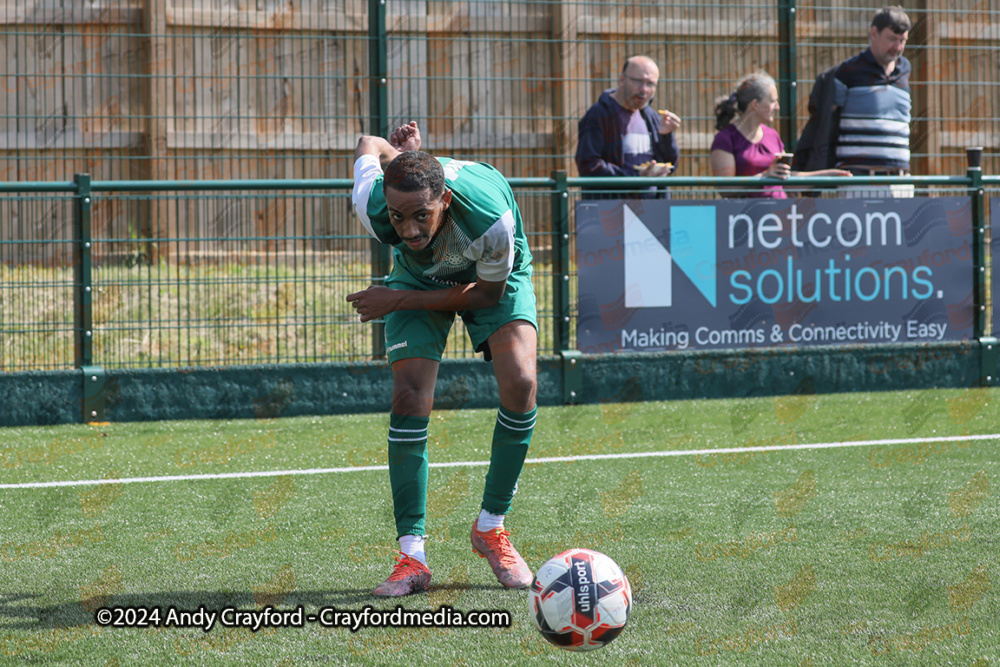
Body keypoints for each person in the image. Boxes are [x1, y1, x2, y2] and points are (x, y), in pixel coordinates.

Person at [348, 121, 538, 597]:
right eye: (397, 218)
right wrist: (395, 152)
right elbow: (368, 144)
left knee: (521, 384)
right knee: (410, 398)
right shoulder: (373, 206)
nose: (408, 229)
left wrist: (395, 301)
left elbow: (486, 295)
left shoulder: (490, 220)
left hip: (489, 277)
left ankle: (491, 527)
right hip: (417, 277)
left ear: (446, 202)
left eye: (421, 216)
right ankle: (412, 557)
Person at [793, 6, 913, 198]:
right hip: (859, 181)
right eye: (892, 39)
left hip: (900, 182)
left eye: (903, 41)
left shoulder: (905, 70)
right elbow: (824, 124)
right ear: (874, 33)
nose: (898, 47)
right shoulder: (847, 72)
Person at [710, 72, 851, 198]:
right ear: (755, 105)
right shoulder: (725, 139)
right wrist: (765, 177)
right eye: (772, 101)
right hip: (745, 218)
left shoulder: (772, 136)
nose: (777, 107)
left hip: (779, 217)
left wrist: (828, 175)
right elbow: (726, 189)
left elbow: (787, 179)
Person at [575, 55, 681, 199]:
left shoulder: (652, 117)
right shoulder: (599, 114)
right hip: (611, 211)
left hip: (653, 210)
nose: (644, 90)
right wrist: (635, 178)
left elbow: (671, 164)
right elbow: (588, 165)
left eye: (650, 84)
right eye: (638, 81)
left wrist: (666, 136)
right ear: (622, 79)